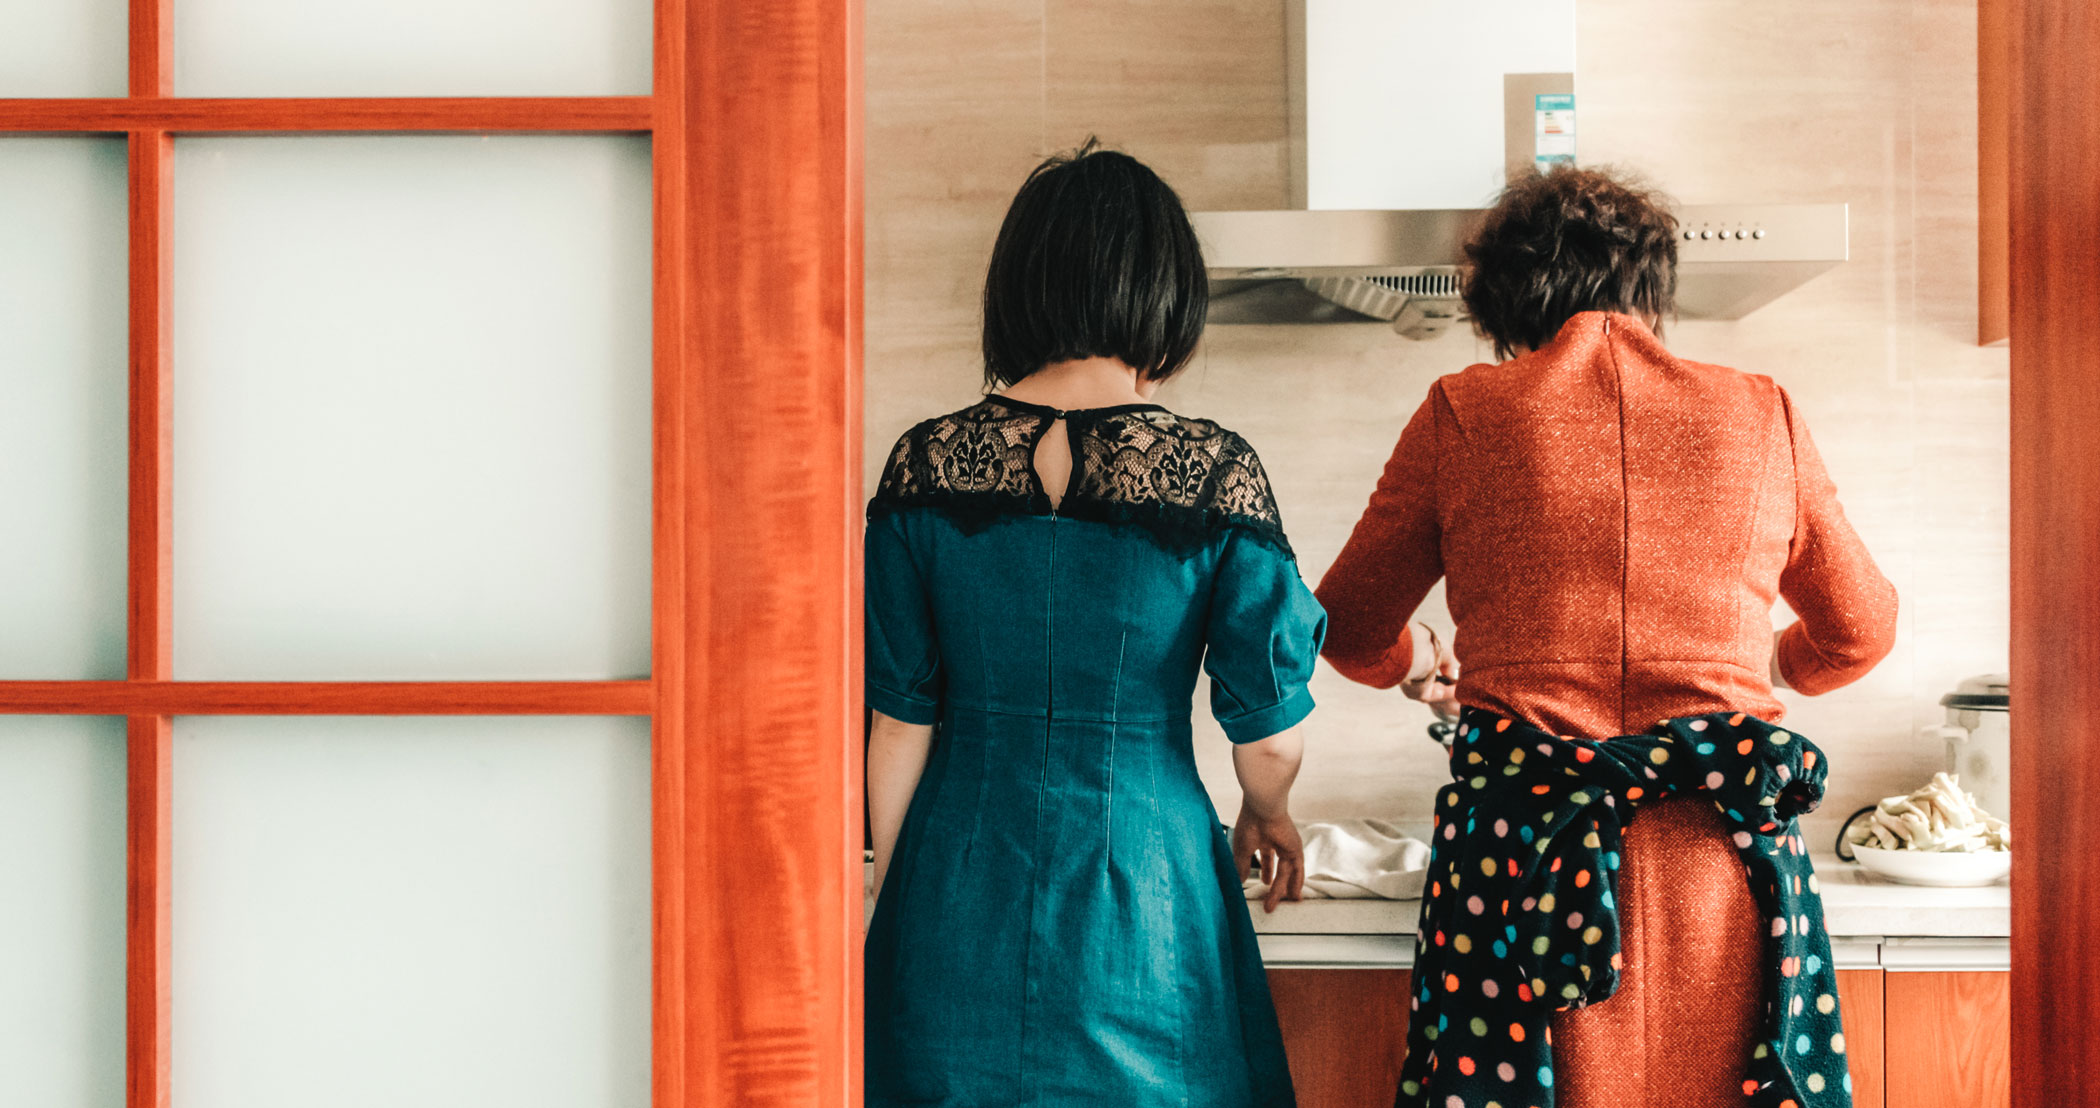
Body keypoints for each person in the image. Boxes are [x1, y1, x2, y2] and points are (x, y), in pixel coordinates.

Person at [1315, 165, 1897, 1107]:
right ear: (1652, 292)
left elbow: (1343, 628)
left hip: (1521, 862)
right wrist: (1763, 663)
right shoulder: (1762, 412)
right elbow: (1860, 631)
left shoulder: (1465, 411)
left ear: (1506, 307)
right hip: (1720, 860)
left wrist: (1422, 659)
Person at [862, 142, 1325, 1108]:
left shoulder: (923, 467)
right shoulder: (1214, 473)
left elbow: (899, 722)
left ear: (1017, 287)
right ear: (1166, 294)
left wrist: (897, 905)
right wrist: (1268, 810)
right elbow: (1270, 739)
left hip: (956, 885)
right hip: (1146, 889)